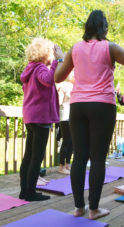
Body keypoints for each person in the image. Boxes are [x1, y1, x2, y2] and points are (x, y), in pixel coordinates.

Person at [54, 10, 124, 220]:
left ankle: (79, 208)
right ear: (103, 28)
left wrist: (61, 59)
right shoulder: (109, 47)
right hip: (102, 106)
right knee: (97, 158)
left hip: (77, 107)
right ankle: (93, 209)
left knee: (79, 157)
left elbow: (58, 77)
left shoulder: (75, 49)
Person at [19, 37, 63, 201]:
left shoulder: (29, 69)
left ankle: (24, 191)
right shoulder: (40, 69)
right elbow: (49, 80)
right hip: (41, 117)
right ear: (46, 53)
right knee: (36, 157)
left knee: (29, 156)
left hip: (30, 117)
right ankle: (30, 192)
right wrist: (58, 61)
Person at [56, 73, 74, 174]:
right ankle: (61, 166)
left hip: (73, 117)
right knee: (66, 141)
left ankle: (68, 164)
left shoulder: (76, 86)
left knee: (71, 142)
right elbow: (59, 102)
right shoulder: (64, 85)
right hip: (65, 116)